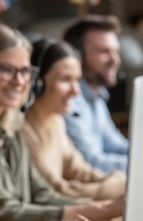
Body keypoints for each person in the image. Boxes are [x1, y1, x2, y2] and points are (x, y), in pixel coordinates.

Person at [0, 22, 124, 221]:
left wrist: (103, 207)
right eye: (7, 69)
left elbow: (40, 193)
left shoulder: (10, 125)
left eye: (25, 71)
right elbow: (0, 212)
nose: (19, 81)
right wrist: (103, 210)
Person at [22, 38, 126, 200]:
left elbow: (80, 171)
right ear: (37, 83)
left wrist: (118, 178)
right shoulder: (23, 131)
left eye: (77, 80)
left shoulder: (55, 122)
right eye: (65, 80)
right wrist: (118, 184)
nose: (76, 91)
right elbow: (57, 191)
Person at [63, 14, 129, 173]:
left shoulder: (97, 95)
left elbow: (114, 145)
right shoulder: (67, 99)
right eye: (104, 51)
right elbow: (90, 162)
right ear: (77, 55)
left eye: (116, 51)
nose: (114, 60)